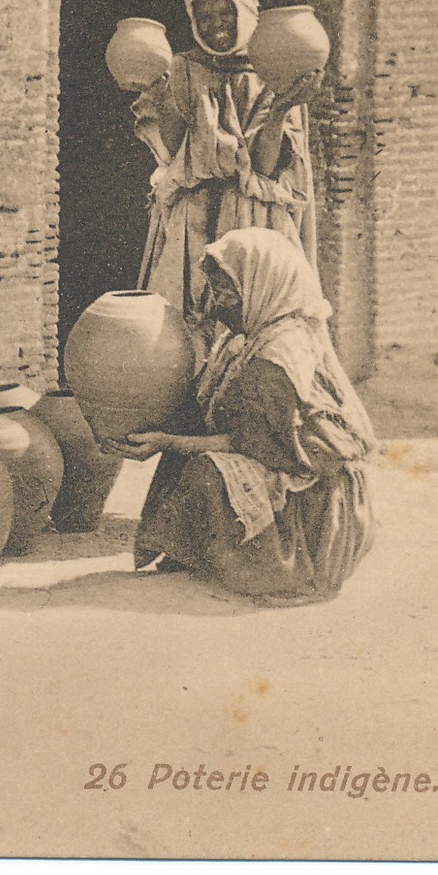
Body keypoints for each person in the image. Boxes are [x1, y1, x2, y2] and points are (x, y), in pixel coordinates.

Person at [105, 227, 377, 604]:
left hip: (308, 491)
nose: (217, 304)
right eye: (217, 292)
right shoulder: (247, 337)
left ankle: (278, 569)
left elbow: (255, 444)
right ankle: (205, 553)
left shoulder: (280, 355)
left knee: (207, 470)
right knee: (187, 451)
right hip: (277, 454)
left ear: (263, 287)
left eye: (228, 293)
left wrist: (167, 442)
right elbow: (212, 410)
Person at [130, 0, 323, 322]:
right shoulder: (182, 69)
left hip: (253, 218)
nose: (215, 25)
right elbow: (173, 153)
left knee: (252, 315)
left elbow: (265, 170)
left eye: (226, 14)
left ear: (245, 12)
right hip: (193, 217)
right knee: (180, 329)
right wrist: (160, 98)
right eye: (204, 17)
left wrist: (281, 109)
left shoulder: (276, 68)